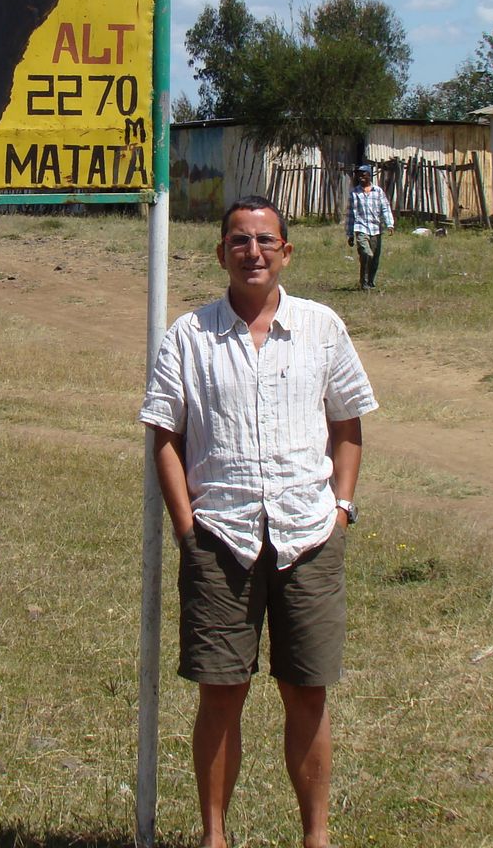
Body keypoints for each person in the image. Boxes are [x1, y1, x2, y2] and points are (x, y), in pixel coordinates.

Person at [140, 195, 377, 848]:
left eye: (266, 241)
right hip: (221, 539)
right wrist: (188, 530)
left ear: (286, 252)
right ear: (221, 253)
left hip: (308, 536)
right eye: (239, 241)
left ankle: (316, 838)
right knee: (221, 695)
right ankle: (214, 838)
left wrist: (341, 510)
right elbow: (164, 434)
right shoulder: (188, 337)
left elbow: (347, 423)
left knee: (308, 693)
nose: (253, 252)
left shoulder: (322, 327)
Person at [345, 164, 394, 290]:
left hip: (375, 228)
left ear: (369, 175)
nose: (361, 176)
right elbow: (350, 214)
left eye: (363, 174)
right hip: (360, 227)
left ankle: (369, 281)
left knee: (375, 258)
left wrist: (389, 224)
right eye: (359, 174)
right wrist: (350, 234)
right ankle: (364, 281)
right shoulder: (355, 193)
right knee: (366, 253)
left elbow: (385, 208)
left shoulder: (378, 191)